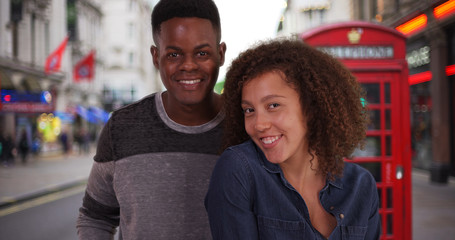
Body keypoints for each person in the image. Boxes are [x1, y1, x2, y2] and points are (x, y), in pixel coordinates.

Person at [76, 0, 226, 239]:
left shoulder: (249, 126)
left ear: (221, 54)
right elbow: (95, 217)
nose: (188, 65)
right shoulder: (122, 127)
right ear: (156, 57)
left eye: (202, 53)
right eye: (174, 54)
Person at [205, 38, 381, 239]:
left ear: (311, 107)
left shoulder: (361, 186)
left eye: (273, 105)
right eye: (249, 110)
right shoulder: (239, 170)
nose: (258, 124)